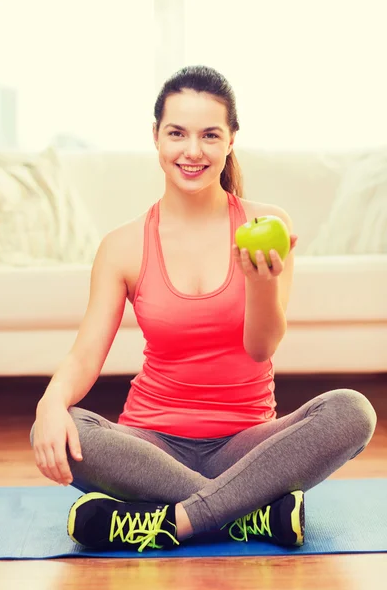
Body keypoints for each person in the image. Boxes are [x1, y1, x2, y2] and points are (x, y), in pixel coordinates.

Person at [31, 65, 377, 553]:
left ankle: (168, 519)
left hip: (248, 446)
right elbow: (86, 356)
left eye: (210, 135)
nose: (192, 151)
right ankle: (252, 513)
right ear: (156, 138)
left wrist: (261, 284)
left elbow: (261, 349)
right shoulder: (123, 245)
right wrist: (49, 405)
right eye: (177, 133)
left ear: (231, 140)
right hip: (151, 444)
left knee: (352, 411)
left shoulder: (267, 224)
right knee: (71, 428)